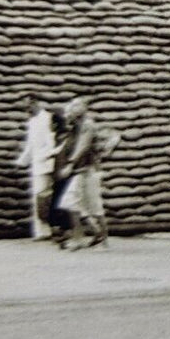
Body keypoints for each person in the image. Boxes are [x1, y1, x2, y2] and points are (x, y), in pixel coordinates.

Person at [54, 97, 110, 250]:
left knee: (94, 205)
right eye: (71, 105)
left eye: (76, 105)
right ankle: (80, 237)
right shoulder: (76, 126)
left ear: (84, 107)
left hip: (89, 170)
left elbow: (83, 146)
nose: (72, 108)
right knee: (70, 201)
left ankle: (102, 239)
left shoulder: (87, 125)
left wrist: (70, 164)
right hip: (80, 171)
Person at [14, 96, 57, 238]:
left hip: (49, 163)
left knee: (49, 198)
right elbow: (30, 145)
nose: (27, 110)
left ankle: (53, 228)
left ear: (35, 103)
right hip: (37, 164)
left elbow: (52, 142)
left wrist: (51, 158)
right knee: (38, 197)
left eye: (28, 107)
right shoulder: (32, 122)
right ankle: (42, 231)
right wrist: (21, 162)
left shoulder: (48, 118)